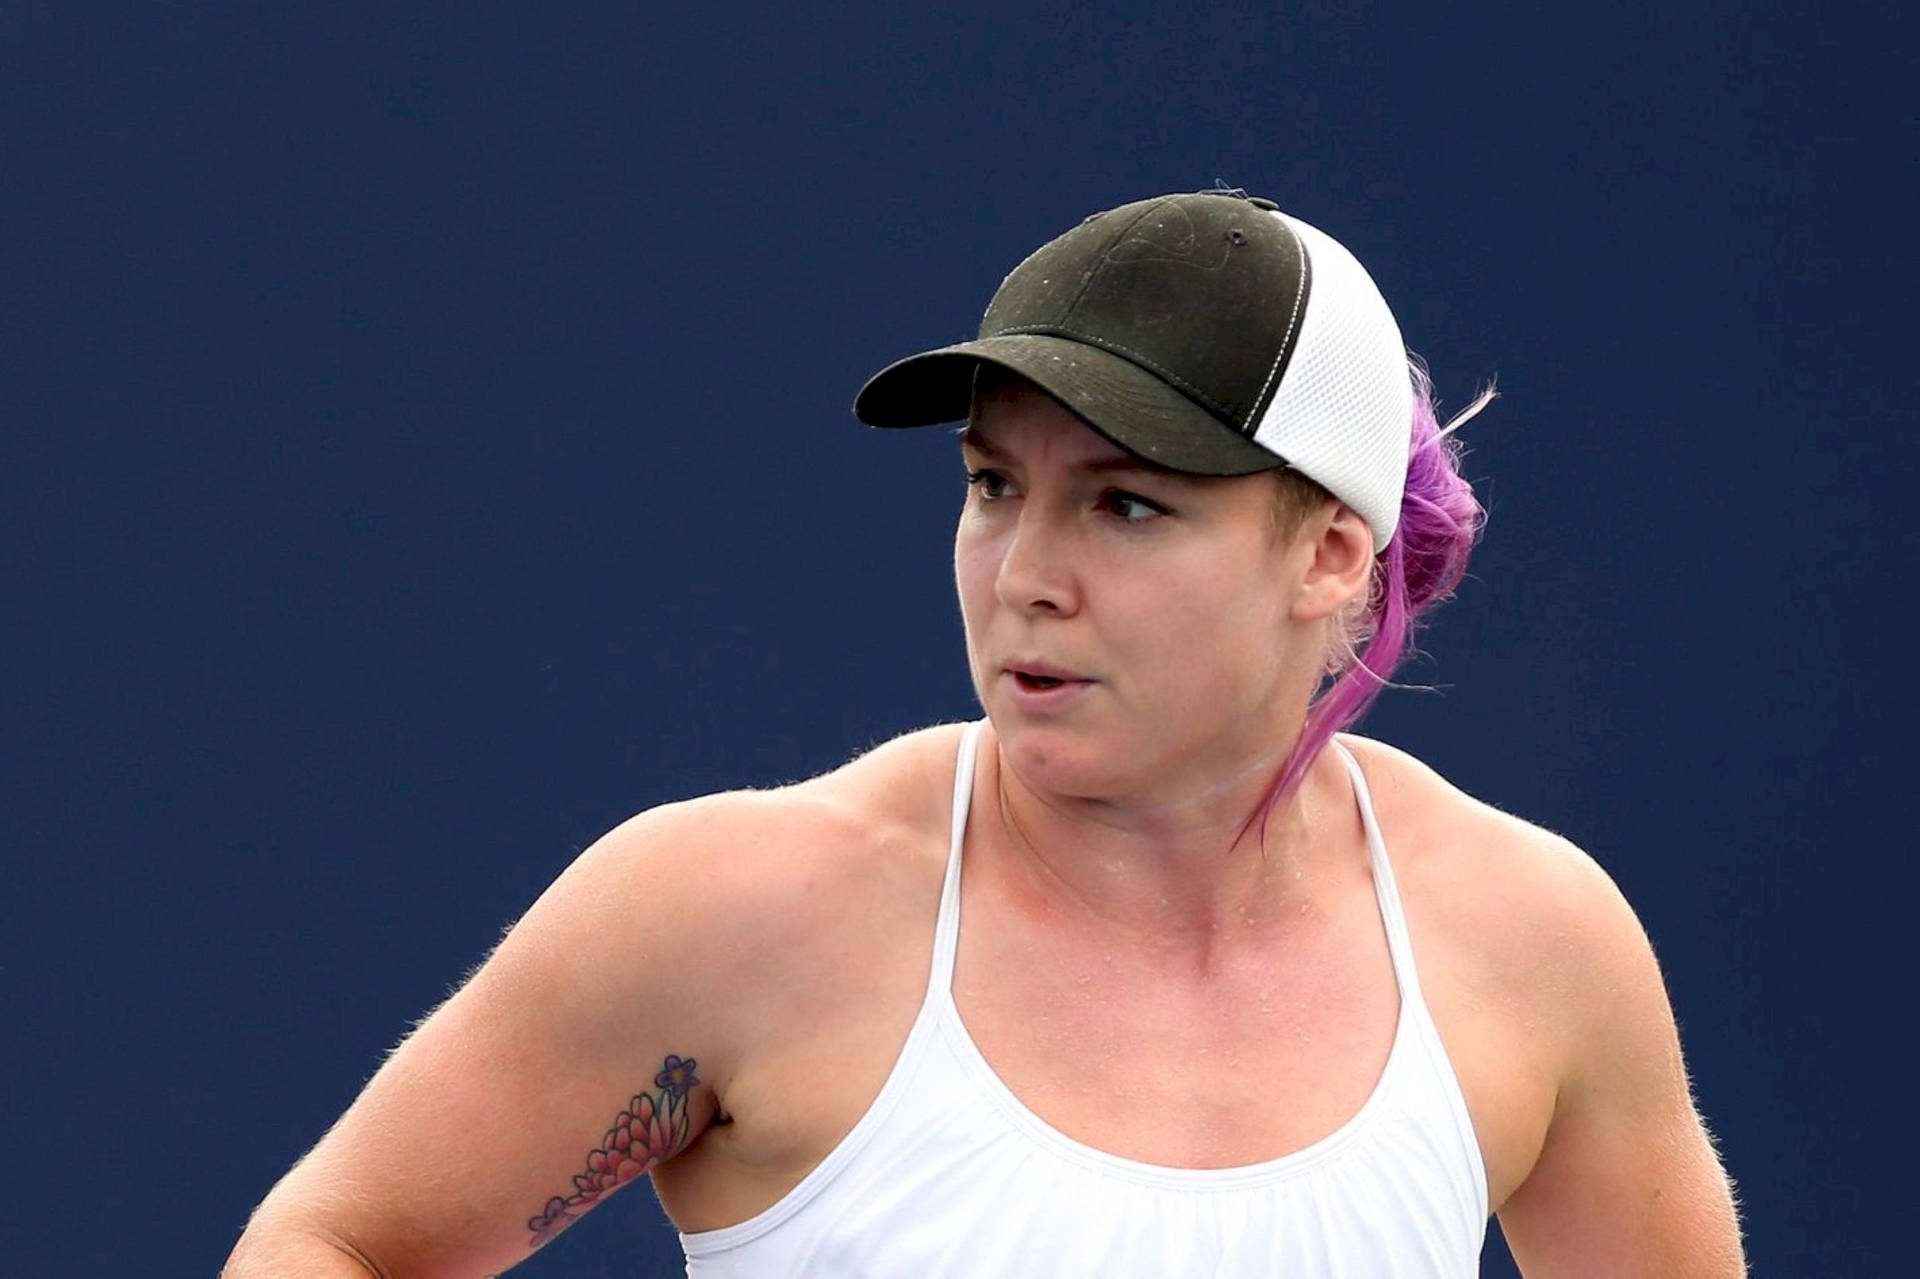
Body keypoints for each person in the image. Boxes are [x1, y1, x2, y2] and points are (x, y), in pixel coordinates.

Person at [224, 189, 1745, 1277]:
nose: (1025, 578)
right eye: (992, 486)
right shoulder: (736, 913)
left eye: (1126, 504)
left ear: (1332, 555)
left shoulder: (1533, 942)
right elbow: (338, 1245)